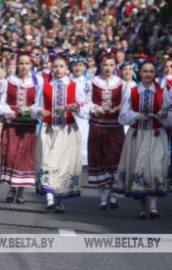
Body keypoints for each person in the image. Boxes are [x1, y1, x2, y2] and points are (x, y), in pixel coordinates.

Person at [113, 58, 171, 219]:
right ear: (140, 72)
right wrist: (137, 116)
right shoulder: (131, 91)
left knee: (155, 168)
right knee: (138, 169)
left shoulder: (163, 91)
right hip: (137, 135)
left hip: (156, 134)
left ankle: (153, 207)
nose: (148, 74)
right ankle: (142, 208)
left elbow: (169, 112)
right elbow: (123, 116)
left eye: (151, 71)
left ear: (155, 73)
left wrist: (164, 115)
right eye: (145, 71)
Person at [34, 53, 90, 213]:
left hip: (67, 130)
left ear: (67, 69)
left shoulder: (74, 86)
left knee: (63, 166)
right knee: (47, 161)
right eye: (55, 67)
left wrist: (76, 108)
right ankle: (50, 198)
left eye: (61, 66)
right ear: (51, 68)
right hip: (48, 129)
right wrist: (39, 111)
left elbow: (85, 108)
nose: (58, 70)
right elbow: (35, 107)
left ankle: (59, 200)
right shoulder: (44, 86)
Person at [0, 51, 38, 205]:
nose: (24, 66)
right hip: (12, 124)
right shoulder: (8, 81)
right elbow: (1, 102)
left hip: (28, 126)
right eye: (21, 63)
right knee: (11, 156)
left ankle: (20, 191)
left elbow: (39, 103)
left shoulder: (36, 82)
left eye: (27, 63)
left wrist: (30, 111)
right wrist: (8, 112)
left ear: (31, 65)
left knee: (24, 158)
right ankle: (12, 188)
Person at [88, 50, 126, 211]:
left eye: (111, 65)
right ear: (100, 66)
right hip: (98, 125)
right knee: (99, 159)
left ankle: (112, 194)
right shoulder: (93, 82)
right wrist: (96, 107)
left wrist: (118, 107)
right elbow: (85, 102)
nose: (108, 68)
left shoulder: (121, 83)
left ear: (115, 66)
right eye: (105, 65)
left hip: (115, 127)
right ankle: (102, 197)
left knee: (114, 160)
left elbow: (127, 104)